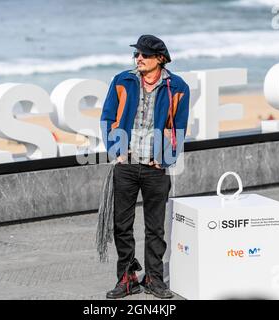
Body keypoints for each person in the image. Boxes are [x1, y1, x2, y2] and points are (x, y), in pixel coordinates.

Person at [100, 35, 190, 299]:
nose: (138, 58)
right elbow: (107, 117)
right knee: (121, 225)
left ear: (160, 58)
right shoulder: (122, 80)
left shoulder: (178, 87)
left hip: (155, 168)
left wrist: (166, 158)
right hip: (125, 166)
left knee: (155, 228)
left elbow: (179, 127)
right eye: (137, 54)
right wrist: (116, 150)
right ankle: (127, 278)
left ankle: (153, 277)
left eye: (145, 55)